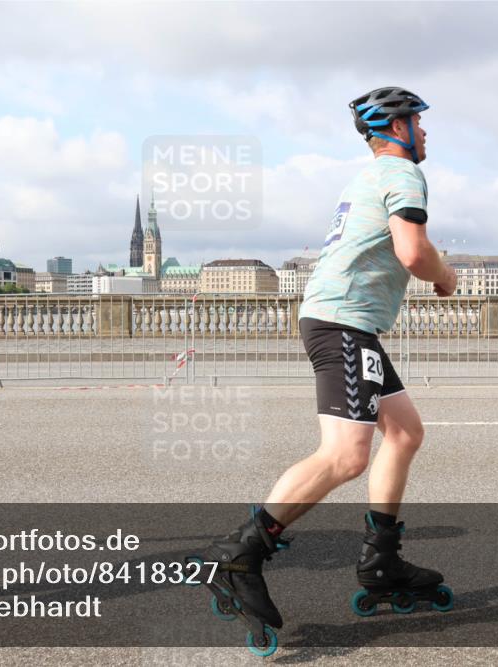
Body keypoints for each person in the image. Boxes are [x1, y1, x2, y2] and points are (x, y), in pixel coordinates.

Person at [191, 87, 456, 656]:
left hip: (342, 321)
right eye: (419, 121)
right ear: (397, 128)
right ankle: (239, 556)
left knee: (405, 432)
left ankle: (382, 559)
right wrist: (446, 275)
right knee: (345, 455)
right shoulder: (404, 175)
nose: (427, 132)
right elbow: (412, 252)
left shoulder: (364, 178)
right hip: (344, 325)